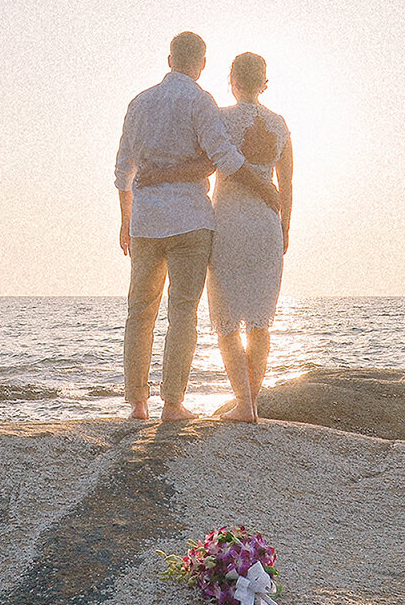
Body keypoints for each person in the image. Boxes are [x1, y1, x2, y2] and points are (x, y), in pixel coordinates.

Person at [113, 33, 282, 422]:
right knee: (183, 313)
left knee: (139, 311)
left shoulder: (139, 103)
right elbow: (222, 157)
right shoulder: (200, 101)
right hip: (191, 220)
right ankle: (172, 404)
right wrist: (265, 189)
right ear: (202, 63)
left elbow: (124, 169)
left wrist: (125, 219)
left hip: (146, 221)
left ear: (169, 58)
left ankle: (138, 404)